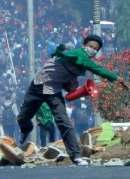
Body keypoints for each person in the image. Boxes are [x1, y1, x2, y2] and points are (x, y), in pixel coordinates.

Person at [15, 33, 122, 165]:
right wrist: (117, 78)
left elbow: (64, 75)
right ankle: (25, 130)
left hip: (54, 91)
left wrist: (71, 85)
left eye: (95, 49)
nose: (92, 50)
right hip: (39, 85)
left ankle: (76, 156)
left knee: (64, 122)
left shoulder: (82, 63)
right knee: (23, 118)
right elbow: (98, 69)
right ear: (84, 46)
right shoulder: (79, 54)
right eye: (90, 46)